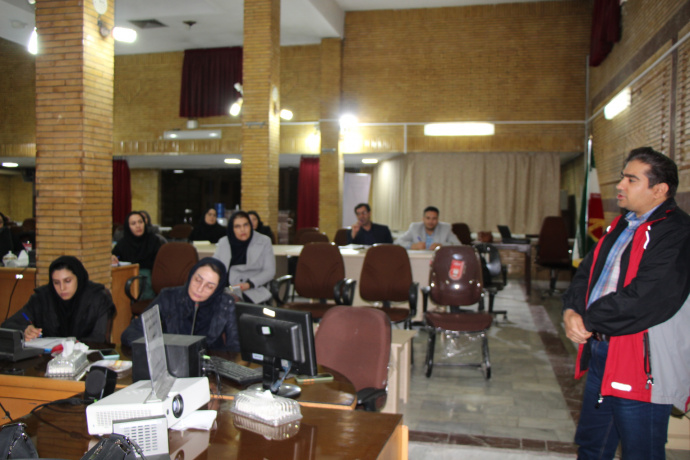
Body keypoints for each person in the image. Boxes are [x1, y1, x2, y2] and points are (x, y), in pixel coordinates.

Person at [562, 147, 690, 460]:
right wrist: (571, 310)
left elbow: (648, 297)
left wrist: (588, 320)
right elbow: (586, 274)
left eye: (631, 180)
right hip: (602, 351)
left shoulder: (676, 232)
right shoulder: (621, 225)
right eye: (623, 177)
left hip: (640, 359)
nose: (620, 185)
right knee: (593, 446)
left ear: (659, 189)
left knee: (640, 451)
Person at [120, 258, 240, 352]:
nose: (199, 289)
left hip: (211, 365)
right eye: (198, 280)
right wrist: (158, 349)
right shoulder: (168, 297)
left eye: (209, 286)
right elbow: (131, 333)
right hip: (172, 362)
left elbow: (236, 347)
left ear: (217, 290)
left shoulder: (226, 304)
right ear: (191, 275)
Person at [2, 255, 115, 342]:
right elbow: (8, 325)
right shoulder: (42, 298)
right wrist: (25, 329)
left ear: (78, 278)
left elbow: (99, 339)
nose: (62, 288)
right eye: (56, 283)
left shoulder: (97, 298)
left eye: (67, 281)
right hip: (47, 360)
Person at [213, 211, 275, 304]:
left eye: (246, 225)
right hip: (226, 290)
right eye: (237, 226)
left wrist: (249, 284)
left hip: (253, 289)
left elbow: (269, 271)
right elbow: (214, 267)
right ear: (232, 229)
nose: (242, 230)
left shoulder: (264, 241)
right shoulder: (224, 242)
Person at [112, 211, 164, 299]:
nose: (138, 226)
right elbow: (116, 256)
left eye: (140, 222)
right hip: (127, 279)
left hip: (149, 279)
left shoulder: (153, 241)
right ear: (128, 227)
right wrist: (113, 258)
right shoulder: (123, 243)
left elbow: (160, 263)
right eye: (133, 223)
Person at [394, 206, 461, 250]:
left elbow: (458, 245)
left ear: (438, 219)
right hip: (419, 259)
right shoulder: (415, 227)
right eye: (428, 218)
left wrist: (441, 246)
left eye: (434, 218)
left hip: (438, 259)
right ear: (423, 219)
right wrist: (412, 245)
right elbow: (397, 242)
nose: (431, 221)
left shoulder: (446, 228)